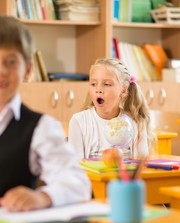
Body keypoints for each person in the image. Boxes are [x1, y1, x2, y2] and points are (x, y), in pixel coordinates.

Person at [0, 15, 91, 212]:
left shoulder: (40, 127)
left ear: (28, 71)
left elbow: (78, 183)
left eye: (11, 62)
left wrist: (43, 197)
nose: (2, 70)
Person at [68, 58, 155, 160]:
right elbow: (75, 167)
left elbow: (141, 165)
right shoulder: (79, 121)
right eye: (93, 84)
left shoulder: (136, 122)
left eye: (107, 84)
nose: (98, 90)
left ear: (123, 90)